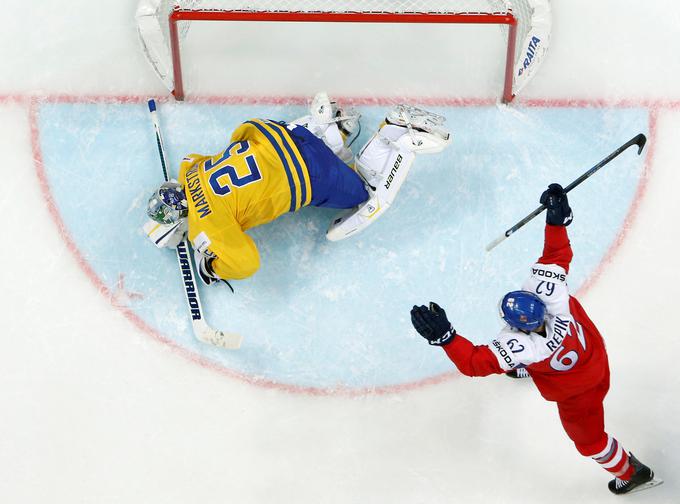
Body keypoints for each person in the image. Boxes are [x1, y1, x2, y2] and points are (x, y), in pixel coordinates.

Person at [410, 184, 659, 495]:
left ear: (517, 329)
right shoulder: (551, 298)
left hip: (578, 394)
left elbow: (475, 364)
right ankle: (528, 369)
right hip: (593, 356)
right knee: (528, 361)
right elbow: (558, 255)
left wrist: (445, 338)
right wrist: (557, 221)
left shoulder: (522, 346)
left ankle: (631, 472)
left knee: (588, 441)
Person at [143, 92, 450, 284]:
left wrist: (211, 264)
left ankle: (395, 135)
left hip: (307, 172)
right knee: (250, 145)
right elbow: (191, 158)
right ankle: (326, 130)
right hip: (280, 133)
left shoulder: (205, 226)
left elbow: (245, 263)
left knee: (362, 192)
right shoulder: (189, 170)